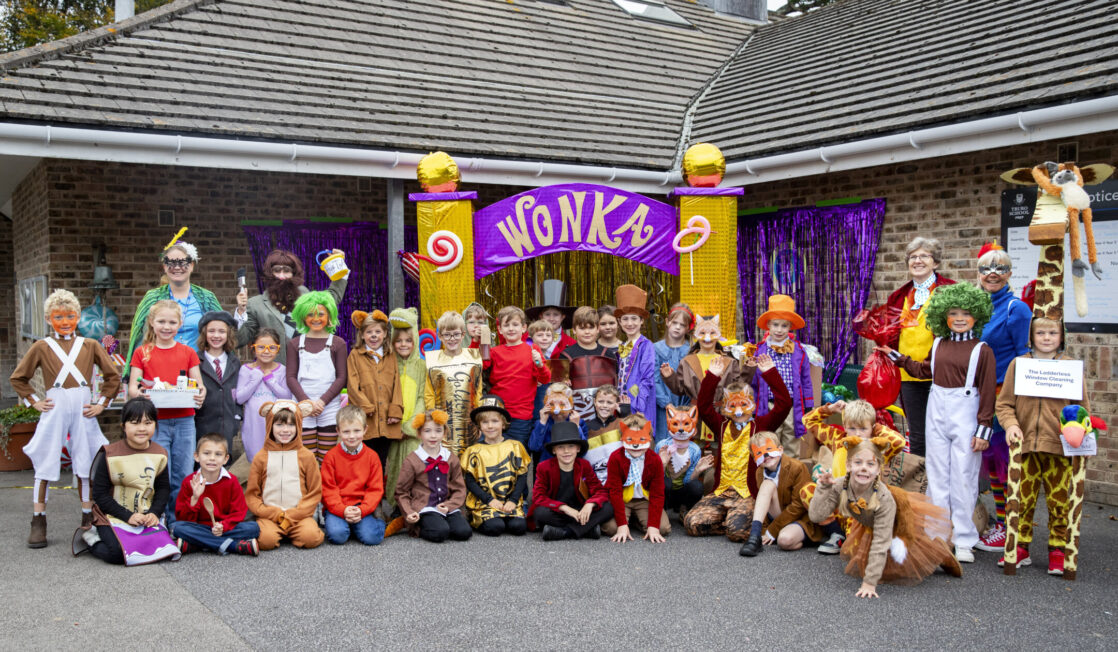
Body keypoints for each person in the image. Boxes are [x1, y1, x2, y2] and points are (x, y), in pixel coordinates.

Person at [876, 282, 996, 563]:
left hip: (966, 413)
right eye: (953, 313)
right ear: (944, 316)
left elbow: (988, 392)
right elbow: (923, 371)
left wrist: (983, 429)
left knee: (964, 477)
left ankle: (964, 538)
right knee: (937, 474)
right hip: (937, 410)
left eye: (965, 313)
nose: (959, 318)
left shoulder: (982, 350)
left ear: (976, 315)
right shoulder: (939, 343)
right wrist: (896, 356)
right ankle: (936, 534)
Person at [10, 289, 120, 548]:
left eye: (70, 316)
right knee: (46, 460)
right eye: (58, 317)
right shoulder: (42, 347)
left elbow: (113, 376)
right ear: (48, 319)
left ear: (78, 317)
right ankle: (38, 519)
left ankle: (88, 517)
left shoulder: (90, 345)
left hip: (83, 409)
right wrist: (34, 401)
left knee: (86, 461)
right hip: (55, 407)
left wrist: (101, 404)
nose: (65, 321)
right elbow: (19, 378)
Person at [995, 317, 1091, 575]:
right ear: (1031, 336)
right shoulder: (1019, 364)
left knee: (1059, 502)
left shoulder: (1070, 367)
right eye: (1040, 333)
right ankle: (1020, 547)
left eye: (1052, 333)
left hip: (1059, 448)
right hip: (1024, 448)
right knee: (1021, 500)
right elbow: (1004, 404)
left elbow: (1082, 408)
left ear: (1062, 337)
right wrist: (1011, 425)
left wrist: (1081, 435)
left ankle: (1058, 550)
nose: (1046, 338)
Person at [808, 436, 961, 598]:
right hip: (869, 522)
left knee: (912, 553)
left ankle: (938, 552)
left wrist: (869, 583)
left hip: (899, 518)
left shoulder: (884, 499)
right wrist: (823, 488)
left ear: (879, 469)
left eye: (870, 464)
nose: (864, 468)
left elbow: (881, 541)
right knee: (885, 569)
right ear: (848, 465)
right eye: (858, 462)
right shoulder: (840, 485)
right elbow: (816, 516)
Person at [683, 354, 790, 545]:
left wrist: (770, 373)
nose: (739, 410)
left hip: (746, 494)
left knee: (737, 533)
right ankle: (731, 519)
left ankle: (738, 522)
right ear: (725, 408)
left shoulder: (761, 426)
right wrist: (712, 377)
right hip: (722, 492)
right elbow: (704, 407)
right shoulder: (721, 424)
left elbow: (784, 405)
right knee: (692, 524)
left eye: (743, 404)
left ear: (752, 405)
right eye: (732, 405)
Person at [74, 398, 181, 565]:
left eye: (148, 423)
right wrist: (128, 516)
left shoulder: (160, 454)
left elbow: (163, 489)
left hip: (145, 516)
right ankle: (92, 539)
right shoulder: (109, 454)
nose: (142, 428)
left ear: (155, 424)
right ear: (123, 426)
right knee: (118, 553)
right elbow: (100, 495)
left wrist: (154, 513)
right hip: (113, 516)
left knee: (165, 550)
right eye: (135, 423)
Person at [127, 299, 206, 526]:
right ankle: (158, 518)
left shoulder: (188, 352)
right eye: (161, 321)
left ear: (180, 324)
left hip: (184, 420)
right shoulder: (142, 352)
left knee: (183, 472)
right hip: (156, 422)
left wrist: (201, 394)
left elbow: (199, 385)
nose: (166, 327)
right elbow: (133, 388)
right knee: (160, 472)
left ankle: (178, 519)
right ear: (152, 322)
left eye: (172, 322)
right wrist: (140, 394)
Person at [974, 243, 1032, 553]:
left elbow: (1024, 356)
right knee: (992, 464)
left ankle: (1011, 528)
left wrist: (1015, 402)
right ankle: (1001, 523)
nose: (993, 273)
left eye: (1000, 268)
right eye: (986, 268)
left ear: (1009, 273)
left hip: (1003, 396)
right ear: (979, 273)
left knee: (1003, 464)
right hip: (980, 394)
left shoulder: (1016, 309)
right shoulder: (978, 306)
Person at [801, 398, 906, 554]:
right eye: (852, 428)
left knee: (854, 550)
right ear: (845, 426)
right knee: (808, 491)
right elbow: (807, 421)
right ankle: (836, 533)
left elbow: (899, 442)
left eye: (863, 428)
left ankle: (850, 537)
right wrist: (830, 409)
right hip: (838, 502)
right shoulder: (837, 438)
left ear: (872, 428)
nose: (857, 433)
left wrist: (874, 428)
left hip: (861, 507)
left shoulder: (877, 446)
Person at [885, 236, 956, 456]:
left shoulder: (950, 291)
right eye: (913, 257)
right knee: (917, 435)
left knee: (944, 432)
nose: (917, 261)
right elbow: (890, 333)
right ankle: (921, 477)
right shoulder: (898, 297)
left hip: (942, 374)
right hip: (908, 375)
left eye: (924, 256)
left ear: (936, 262)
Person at [234, 248, 349, 366]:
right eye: (277, 271)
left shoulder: (305, 296)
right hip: (274, 371)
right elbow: (239, 340)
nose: (281, 276)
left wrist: (339, 266)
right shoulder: (255, 304)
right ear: (270, 274)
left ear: (293, 274)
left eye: (286, 271)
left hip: (306, 369)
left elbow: (331, 299)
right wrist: (241, 312)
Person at [125, 238, 223, 374]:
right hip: (159, 370)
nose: (177, 267)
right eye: (171, 263)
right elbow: (138, 337)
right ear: (164, 267)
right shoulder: (152, 298)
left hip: (200, 370)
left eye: (182, 262)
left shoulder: (207, 298)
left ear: (192, 265)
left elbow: (224, 331)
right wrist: (131, 374)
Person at [661, 314, 752, 450]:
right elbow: (680, 390)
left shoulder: (729, 362)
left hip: (720, 414)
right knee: (695, 450)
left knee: (719, 449)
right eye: (702, 333)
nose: (707, 337)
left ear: (718, 335)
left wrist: (749, 369)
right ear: (696, 335)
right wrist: (670, 377)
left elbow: (738, 389)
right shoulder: (687, 361)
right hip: (696, 415)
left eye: (712, 332)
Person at [245, 400, 325, 551]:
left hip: (299, 516)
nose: (285, 430)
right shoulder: (261, 457)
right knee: (266, 541)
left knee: (311, 537)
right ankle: (277, 531)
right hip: (270, 516)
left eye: (291, 425)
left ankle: (294, 531)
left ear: (298, 426)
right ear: (270, 425)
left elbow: (314, 492)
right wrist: (269, 512)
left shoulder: (307, 456)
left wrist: (295, 514)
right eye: (279, 425)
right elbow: (252, 494)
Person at [170, 432, 260, 555]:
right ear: (196, 456)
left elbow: (239, 512)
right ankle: (233, 546)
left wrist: (223, 526)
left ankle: (197, 544)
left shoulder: (231, 481)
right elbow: (183, 518)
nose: (212, 458)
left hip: (224, 528)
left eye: (218, 454)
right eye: (206, 453)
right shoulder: (189, 482)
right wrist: (195, 498)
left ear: (225, 459)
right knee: (178, 528)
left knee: (253, 528)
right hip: (199, 527)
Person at [286, 291, 347, 463]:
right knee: (307, 458)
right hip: (303, 407)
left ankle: (325, 482)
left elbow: (342, 377)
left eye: (321, 314)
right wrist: (307, 403)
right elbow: (290, 377)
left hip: (329, 407)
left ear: (329, 316)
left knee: (327, 457)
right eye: (310, 314)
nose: (316, 318)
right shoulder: (295, 344)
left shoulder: (338, 343)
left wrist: (322, 402)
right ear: (302, 317)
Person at [395, 410, 473, 543]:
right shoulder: (412, 460)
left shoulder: (450, 458)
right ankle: (417, 527)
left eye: (438, 431)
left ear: (444, 433)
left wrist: (450, 505)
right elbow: (401, 491)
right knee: (440, 532)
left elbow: (459, 488)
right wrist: (409, 511)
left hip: (446, 507)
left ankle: (442, 523)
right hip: (425, 508)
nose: (433, 435)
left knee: (464, 532)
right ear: (419, 433)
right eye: (427, 431)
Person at [738, 430, 820, 557]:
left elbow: (799, 506)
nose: (766, 455)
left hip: (799, 518)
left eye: (769, 449)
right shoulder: (760, 472)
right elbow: (763, 504)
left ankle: (797, 536)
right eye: (759, 453)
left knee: (785, 541)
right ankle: (754, 536)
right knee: (767, 484)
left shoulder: (797, 467)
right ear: (755, 459)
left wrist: (772, 531)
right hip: (777, 513)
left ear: (780, 449)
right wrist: (763, 531)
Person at [529, 422, 614, 540]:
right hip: (558, 511)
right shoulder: (544, 467)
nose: (566, 451)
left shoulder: (584, 465)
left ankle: (565, 532)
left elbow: (600, 491)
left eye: (571, 446)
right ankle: (587, 529)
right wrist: (564, 508)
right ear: (554, 450)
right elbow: (538, 497)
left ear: (578, 448)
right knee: (540, 513)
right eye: (560, 447)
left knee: (608, 507)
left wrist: (590, 504)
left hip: (580, 511)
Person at [483, 306, 551, 449]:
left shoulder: (532, 349)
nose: (511, 329)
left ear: (524, 328)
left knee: (518, 455)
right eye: (506, 325)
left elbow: (545, 379)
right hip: (496, 414)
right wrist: (480, 340)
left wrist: (539, 364)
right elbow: (481, 366)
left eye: (515, 324)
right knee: (493, 453)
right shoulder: (494, 352)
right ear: (500, 329)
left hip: (521, 417)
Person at [753, 295, 814, 453]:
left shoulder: (799, 351)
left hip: (792, 404)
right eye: (775, 324)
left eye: (784, 325)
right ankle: (770, 467)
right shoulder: (759, 350)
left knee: (791, 438)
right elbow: (754, 382)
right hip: (769, 404)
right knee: (770, 439)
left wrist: (808, 404)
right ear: (768, 325)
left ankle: (790, 466)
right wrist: (753, 405)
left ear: (790, 327)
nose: (779, 330)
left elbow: (806, 379)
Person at [462, 395, 530, 536]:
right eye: (485, 422)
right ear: (479, 426)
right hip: (485, 503)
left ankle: (507, 515)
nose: (490, 426)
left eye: (495, 421)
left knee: (519, 527)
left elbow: (522, 476)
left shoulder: (515, 446)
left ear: (503, 424)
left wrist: (513, 500)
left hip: (509, 501)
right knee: (495, 527)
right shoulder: (473, 451)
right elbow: (470, 481)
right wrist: (489, 500)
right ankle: (476, 517)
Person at [320, 405, 387, 546]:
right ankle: (350, 525)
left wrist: (363, 510)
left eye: (357, 431)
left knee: (372, 538)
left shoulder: (372, 457)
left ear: (365, 430)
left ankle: (378, 520)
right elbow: (328, 489)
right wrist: (342, 510)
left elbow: (375, 489)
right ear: (338, 431)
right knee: (338, 536)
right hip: (338, 506)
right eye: (346, 431)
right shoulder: (331, 457)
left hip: (361, 506)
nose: (351, 436)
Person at [346, 309, 403, 469]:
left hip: (386, 419)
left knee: (381, 461)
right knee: (364, 460)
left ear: (384, 334)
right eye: (369, 332)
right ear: (362, 335)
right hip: (366, 419)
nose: (373, 336)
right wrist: (365, 407)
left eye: (377, 332)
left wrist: (395, 411)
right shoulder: (355, 355)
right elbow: (352, 386)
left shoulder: (391, 356)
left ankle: (378, 485)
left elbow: (396, 384)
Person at [424, 311, 483, 458]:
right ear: (440, 336)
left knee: (469, 460)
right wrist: (432, 419)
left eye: (456, 334)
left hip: (469, 424)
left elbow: (478, 391)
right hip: (442, 424)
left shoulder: (474, 358)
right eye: (447, 335)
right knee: (444, 461)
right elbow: (429, 394)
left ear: (463, 334)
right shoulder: (433, 361)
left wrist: (480, 419)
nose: (452, 339)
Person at [602, 414, 669, 543]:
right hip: (622, 499)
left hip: (643, 500)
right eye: (630, 439)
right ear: (622, 439)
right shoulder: (616, 458)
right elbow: (615, 492)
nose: (636, 445)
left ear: (649, 438)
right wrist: (622, 525)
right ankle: (627, 522)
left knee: (662, 528)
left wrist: (653, 526)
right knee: (612, 528)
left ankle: (637, 522)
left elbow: (657, 494)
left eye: (642, 439)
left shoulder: (654, 460)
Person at [385, 307, 425, 512]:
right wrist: (395, 426)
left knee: (413, 466)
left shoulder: (421, 366)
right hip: (393, 428)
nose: (403, 344)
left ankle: (413, 506)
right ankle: (395, 506)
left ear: (415, 340)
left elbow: (422, 397)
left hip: (412, 429)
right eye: (398, 341)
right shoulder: (388, 364)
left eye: (408, 340)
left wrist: (410, 426)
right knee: (394, 466)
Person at [235, 328, 291, 462]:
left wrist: (270, 380)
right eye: (261, 347)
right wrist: (254, 380)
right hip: (253, 426)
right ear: (253, 348)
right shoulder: (246, 370)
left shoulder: (282, 370)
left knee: (276, 462)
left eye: (272, 347)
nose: (266, 351)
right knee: (257, 462)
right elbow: (240, 398)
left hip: (277, 426)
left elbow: (287, 397)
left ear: (278, 349)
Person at [556, 306, 618, 419]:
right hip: (576, 413)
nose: (587, 332)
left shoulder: (609, 354)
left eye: (591, 327)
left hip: (606, 413)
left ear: (598, 328)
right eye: (582, 328)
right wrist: (563, 383)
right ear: (574, 330)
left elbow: (617, 384)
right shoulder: (564, 355)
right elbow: (557, 388)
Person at [194, 311, 242, 459]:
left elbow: (238, 391)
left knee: (223, 462)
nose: (216, 336)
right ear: (204, 334)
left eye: (221, 331)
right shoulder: (195, 361)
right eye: (211, 331)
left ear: (228, 335)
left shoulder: (235, 363)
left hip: (227, 425)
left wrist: (237, 417)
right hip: (202, 425)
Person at [653, 405, 710, 516]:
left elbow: (689, 481)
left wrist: (697, 471)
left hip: (682, 492)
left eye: (686, 423)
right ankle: (661, 511)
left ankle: (685, 509)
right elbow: (655, 478)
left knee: (697, 486)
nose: (681, 429)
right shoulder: (662, 446)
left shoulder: (694, 450)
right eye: (676, 424)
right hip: (666, 492)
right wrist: (663, 464)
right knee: (665, 483)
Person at [614, 285, 656, 424]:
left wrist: (640, 407)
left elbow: (647, 378)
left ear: (641, 320)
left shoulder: (646, 345)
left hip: (638, 406)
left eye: (634, 318)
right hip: (623, 404)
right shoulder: (622, 346)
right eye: (625, 319)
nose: (629, 323)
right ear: (619, 321)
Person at [654, 303, 693, 443]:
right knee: (663, 443)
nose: (677, 327)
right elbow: (654, 378)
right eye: (674, 323)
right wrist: (667, 404)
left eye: (682, 325)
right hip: (663, 407)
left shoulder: (691, 350)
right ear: (667, 322)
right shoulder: (655, 349)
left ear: (688, 328)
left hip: (686, 407)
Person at [582, 384, 630, 485]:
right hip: (596, 480)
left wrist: (627, 416)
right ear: (594, 402)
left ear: (616, 405)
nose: (604, 406)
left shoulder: (620, 423)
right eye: (600, 401)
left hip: (621, 478)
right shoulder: (586, 427)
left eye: (609, 402)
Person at [529, 383, 583, 461]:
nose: (557, 410)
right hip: (548, 465)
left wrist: (576, 426)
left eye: (562, 405)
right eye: (552, 404)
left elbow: (582, 451)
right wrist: (542, 423)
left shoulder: (578, 422)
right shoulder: (544, 423)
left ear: (570, 405)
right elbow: (534, 447)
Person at [525, 279, 576, 357]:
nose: (551, 319)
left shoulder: (571, 343)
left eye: (556, 315)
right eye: (547, 314)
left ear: (562, 317)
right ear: (541, 316)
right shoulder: (526, 339)